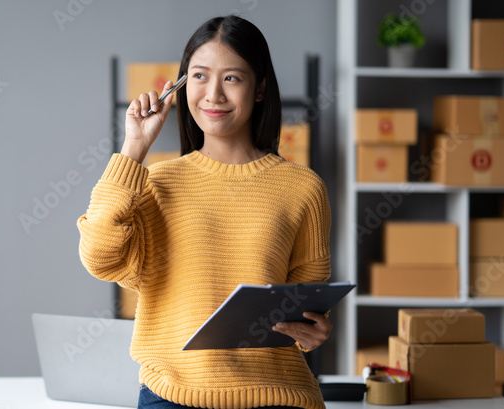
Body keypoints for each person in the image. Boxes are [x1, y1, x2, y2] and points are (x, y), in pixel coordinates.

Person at [77, 15, 332, 409]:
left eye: (232, 78)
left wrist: (313, 331)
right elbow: (99, 256)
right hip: (173, 395)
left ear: (260, 88)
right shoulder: (155, 183)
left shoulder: (303, 188)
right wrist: (134, 149)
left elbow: (306, 308)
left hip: (278, 395)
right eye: (199, 76)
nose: (213, 94)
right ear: (179, 87)